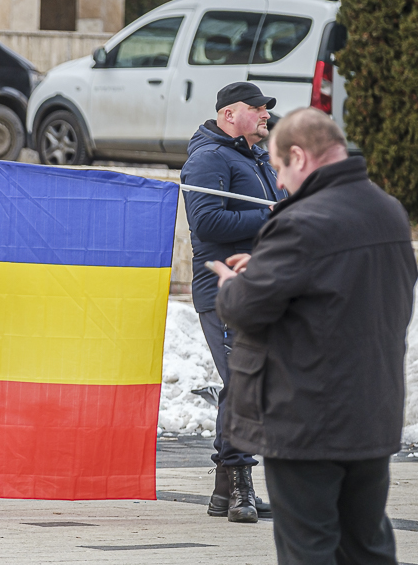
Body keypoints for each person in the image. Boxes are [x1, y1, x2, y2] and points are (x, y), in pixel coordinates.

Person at [213, 108, 416, 564]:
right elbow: (344, 285)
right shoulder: (389, 211)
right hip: (372, 413)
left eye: (279, 167)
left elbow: (246, 308)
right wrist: (267, 268)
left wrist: (233, 284)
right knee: (366, 545)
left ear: (300, 157)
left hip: (307, 419)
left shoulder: (300, 221)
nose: (280, 182)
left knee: (308, 548)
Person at [180, 81, 284, 522]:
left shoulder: (255, 157)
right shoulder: (208, 158)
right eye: (256, 108)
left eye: (265, 108)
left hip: (258, 288)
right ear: (228, 114)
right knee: (244, 384)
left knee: (246, 383)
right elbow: (206, 221)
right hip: (223, 291)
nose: (265, 114)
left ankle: (225, 491)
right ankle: (240, 486)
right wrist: (270, 215)